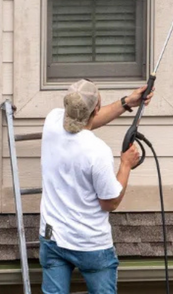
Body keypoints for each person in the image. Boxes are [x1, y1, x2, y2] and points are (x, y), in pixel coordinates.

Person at [38, 79, 153, 294]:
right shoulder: (97, 151)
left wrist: (128, 102)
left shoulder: (52, 121)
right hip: (90, 245)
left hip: (53, 240)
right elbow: (110, 202)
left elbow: (84, 120)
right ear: (97, 107)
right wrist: (126, 165)